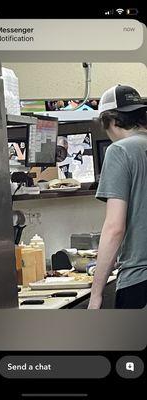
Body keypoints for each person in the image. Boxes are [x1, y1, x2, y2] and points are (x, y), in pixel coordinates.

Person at [88, 84, 147, 309]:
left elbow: (114, 228)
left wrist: (96, 294)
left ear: (109, 121)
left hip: (139, 282)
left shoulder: (120, 151)